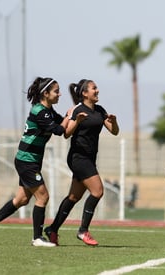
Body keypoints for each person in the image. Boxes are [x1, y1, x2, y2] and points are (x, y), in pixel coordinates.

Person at [0, 77, 76, 247]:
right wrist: (72, 115)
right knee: (43, 196)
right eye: (56, 91)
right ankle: (37, 238)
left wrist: (74, 117)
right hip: (27, 161)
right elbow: (59, 129)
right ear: (45, 93)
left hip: (30, 160)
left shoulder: (48, 110)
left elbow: (63, 124)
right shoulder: (40, 112)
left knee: (21, 200)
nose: (59, 94)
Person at [44, 79, 119, 246]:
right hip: (78, 158)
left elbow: (114, 132)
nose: (97, 91)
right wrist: (77, 121)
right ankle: (83, 230)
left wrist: (114, 122)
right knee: (98, 191)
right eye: (94, 88)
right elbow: (66, 133)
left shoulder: (100, 110)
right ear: (85, 93)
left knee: (74, 196)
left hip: (89, 159)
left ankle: (52, 229)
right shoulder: (78, 110)